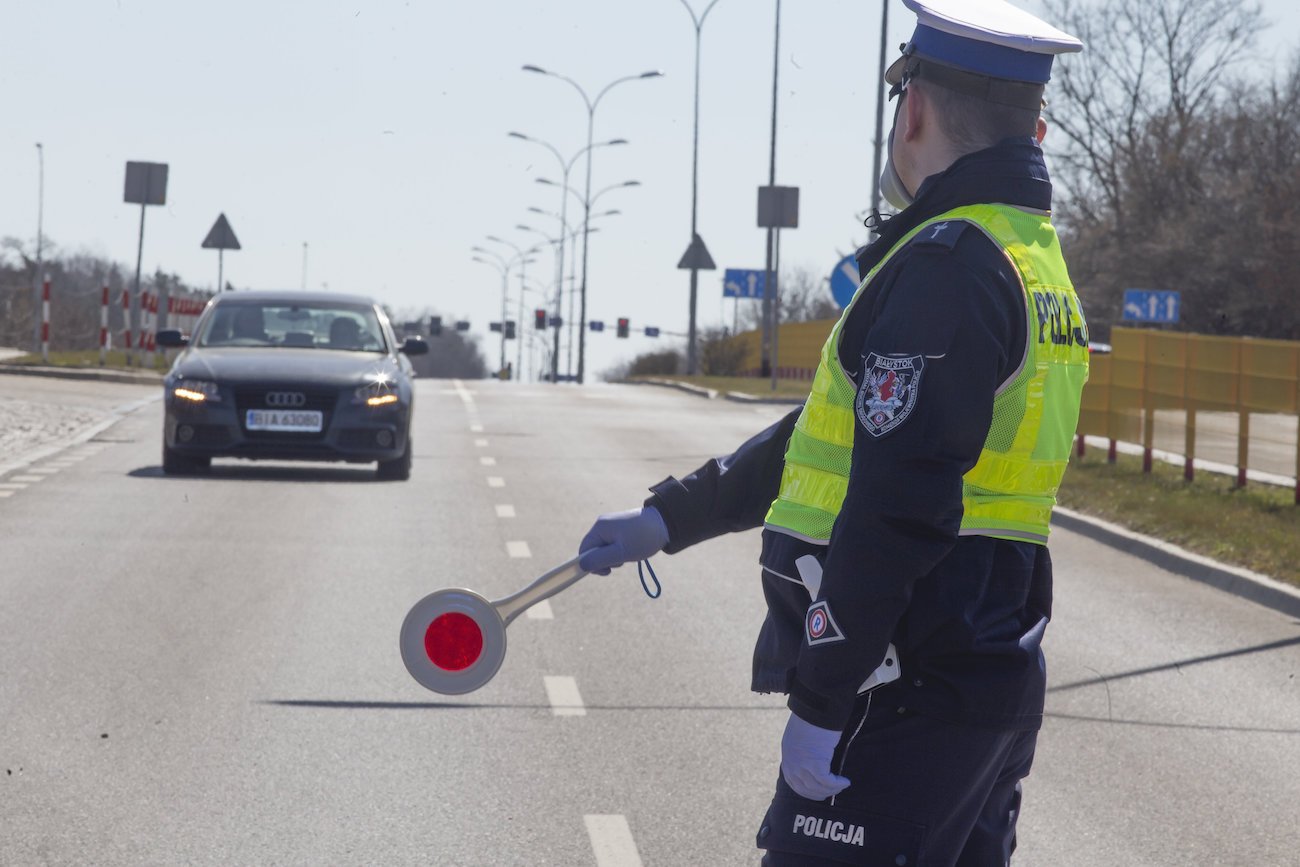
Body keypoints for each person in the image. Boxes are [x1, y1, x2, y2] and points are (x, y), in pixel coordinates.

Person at [577, 1, 1090, 863]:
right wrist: (673, 518)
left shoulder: (947, 265)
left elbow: (897, 504)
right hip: (981, 665)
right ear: (1032, 128)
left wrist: (819, 706)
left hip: (901, 685)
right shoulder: (1026, 255)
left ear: (913, 108)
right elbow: (843, 434)